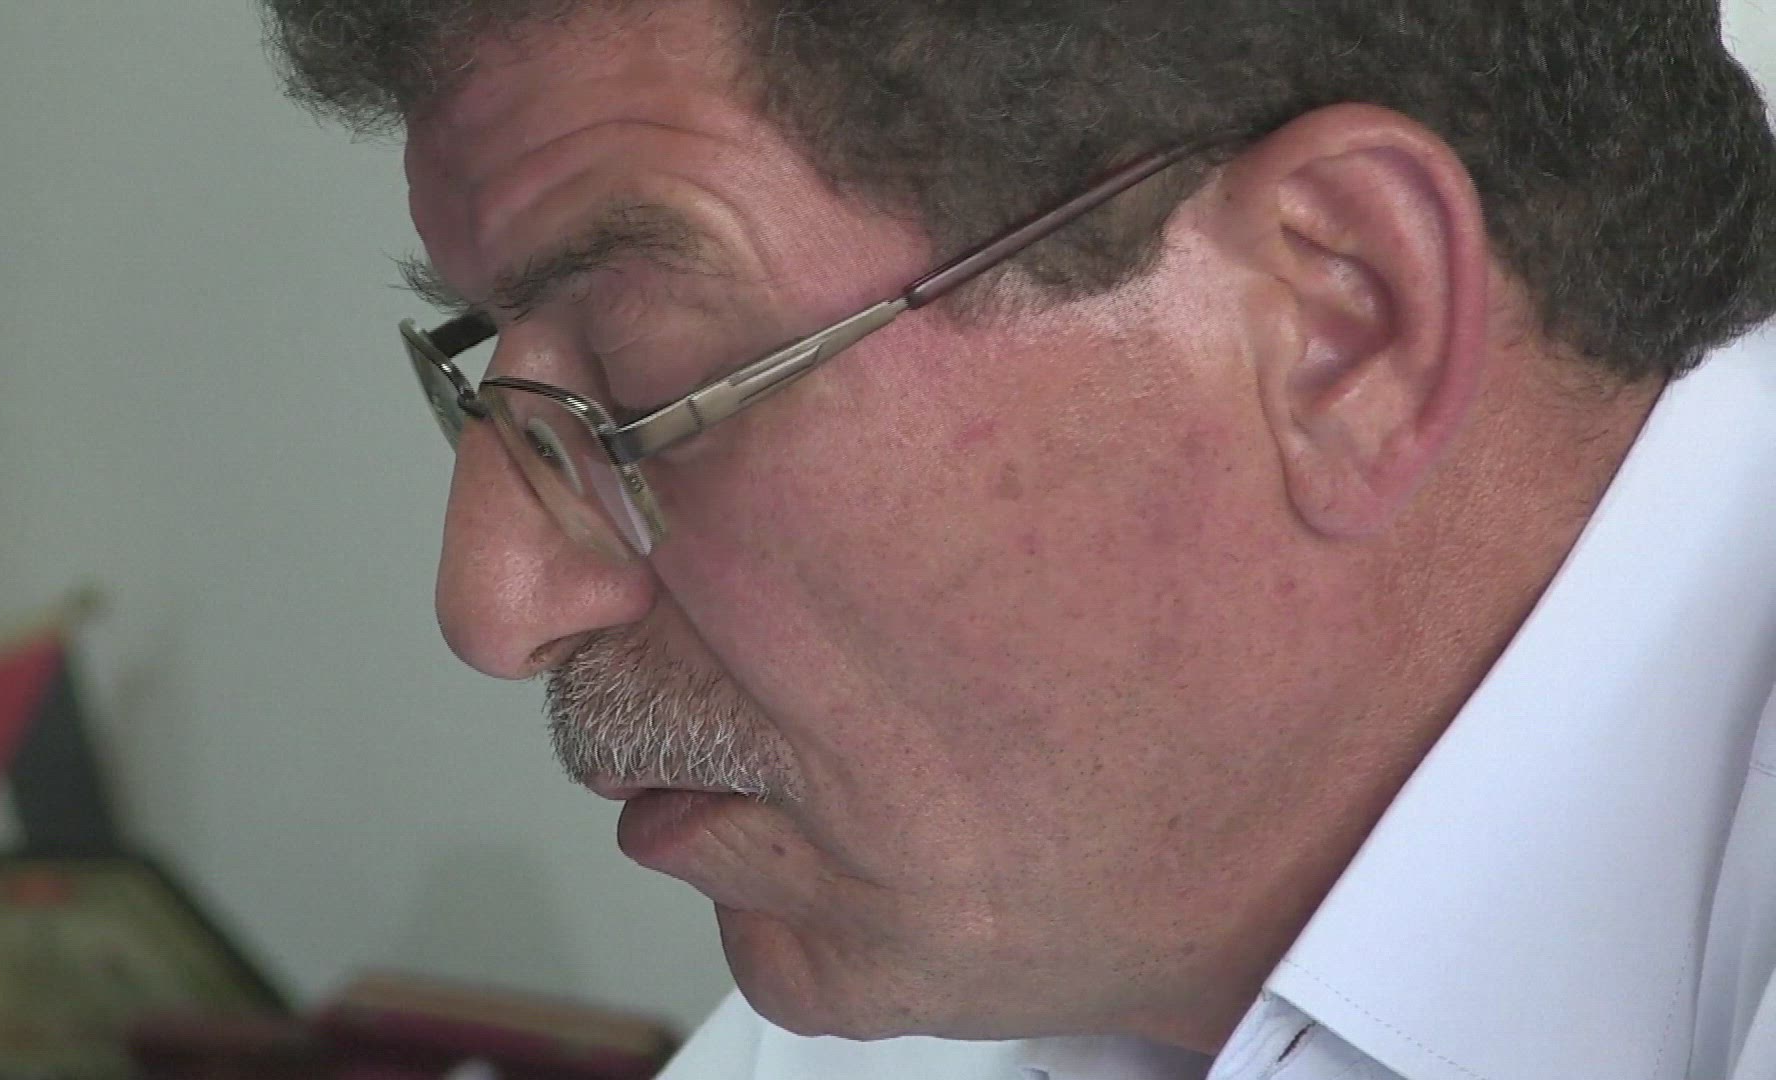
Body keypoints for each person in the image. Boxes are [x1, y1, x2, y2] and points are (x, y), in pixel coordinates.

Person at [260, 0, 1776, 1076]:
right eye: (501, 391)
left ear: (1346, 325)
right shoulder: (969, 953)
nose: (494, 604)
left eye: (646, 382)